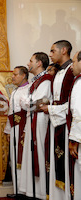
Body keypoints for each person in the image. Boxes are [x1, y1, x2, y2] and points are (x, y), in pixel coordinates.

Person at [40, 40, 74, 200]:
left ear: (64, 50)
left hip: (65, 124)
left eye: (53, 51)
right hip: (55, 121)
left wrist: (51, 109)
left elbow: (72, 102)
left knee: (65, 161)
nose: (50, 54)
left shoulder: (71, 71)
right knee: (54, 158)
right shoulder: (59, 71)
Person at [20, 52, 53, 199]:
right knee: (30, 154)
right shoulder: (35, 81)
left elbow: (41, 103)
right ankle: (31, 190)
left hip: (40, 121)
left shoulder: (46, 80)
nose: (28, 64)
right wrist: (29, 104)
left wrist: (29, 104)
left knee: (39, 152)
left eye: (31, 60)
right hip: (32, 120)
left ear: (39, 63)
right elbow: (28, 102)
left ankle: (40, 192)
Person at [4, 66, 29, 197]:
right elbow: (11, 112)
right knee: (14, 158)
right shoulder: (15, 91)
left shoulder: (29, 89)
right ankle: (17, 190)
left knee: (22, 158)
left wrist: (25, 130)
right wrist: (8, 131)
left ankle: (24, 190)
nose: (12, 77)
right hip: (14, 127)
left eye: (15, 74)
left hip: (23, 127)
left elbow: (29, 112)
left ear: (23, 75)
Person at [67, 50, 81, 200]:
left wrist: (73, 141)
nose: (72, 65)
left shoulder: (79, 82)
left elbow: (78, 114)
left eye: (75, 61)